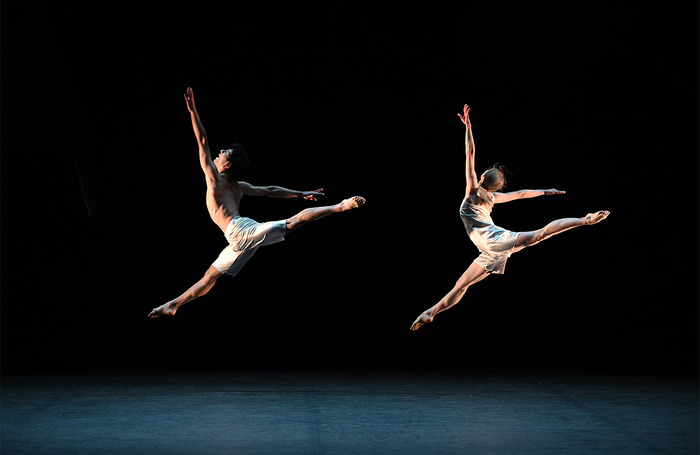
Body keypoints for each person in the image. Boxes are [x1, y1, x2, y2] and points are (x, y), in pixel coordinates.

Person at [148, 88, 365, 318]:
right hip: (238, 238)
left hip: (241, 232)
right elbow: (271, 191)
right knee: (210, 276)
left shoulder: (215, 179)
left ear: (228, 164)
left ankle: (341, 205)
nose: (219, 152)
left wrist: (193, 112)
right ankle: (174, 304)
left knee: (292, 224)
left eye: (224, 152)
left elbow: (202, 141)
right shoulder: (238, 186)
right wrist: (299, 192)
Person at [410, 104, 609, 331]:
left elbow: (470, 153)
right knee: (460, 286)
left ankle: (586, 219)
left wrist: (469, 128)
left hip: (495, 240)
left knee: (540, 235)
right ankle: (430, 312)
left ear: (483, 176)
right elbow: (521, 194)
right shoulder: (492, 198)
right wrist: (545, 191)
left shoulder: (473, 192)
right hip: (489, 250)